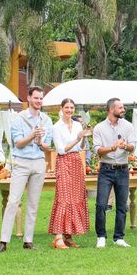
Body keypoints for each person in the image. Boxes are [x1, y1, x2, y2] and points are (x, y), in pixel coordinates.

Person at [0, 86, 54, 253]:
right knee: (13, 201)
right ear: (29, 98)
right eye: (36, 98)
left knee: (34, 203)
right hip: (21, 162)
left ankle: (28, 240)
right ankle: (3, 241)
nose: (39, 101)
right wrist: (32, 135)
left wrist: (40, 141)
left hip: (38, 163)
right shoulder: (18, 119)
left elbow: (47, 147)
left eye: (41, 98)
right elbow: (18, 143)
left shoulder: (46, 120)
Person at [91, 97, 135, 248]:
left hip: (123, 168)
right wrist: (112, 147)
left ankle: (119, 237)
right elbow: (98, 150)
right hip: (106, 169)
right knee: (101, 204)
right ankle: (101, 236)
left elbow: (133, 147)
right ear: (111, 110)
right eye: (120, 107)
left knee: (122, 205)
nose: (123, 110)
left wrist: (125, 146)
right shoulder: (99, 128)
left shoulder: (128, 126)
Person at [48, 99, 91, 249]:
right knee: (64, 198)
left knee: (75, 197)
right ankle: (58, 236)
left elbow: (81, 147)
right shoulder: (56, 127)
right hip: (63, 161)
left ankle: (68, 236)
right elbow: (61, 149)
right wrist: (77, 138)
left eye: (72, 108)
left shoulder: (78, 125)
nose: (69, 110)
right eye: (67, 107)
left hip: (76, 161)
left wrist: (84, 137)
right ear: (61, 108)